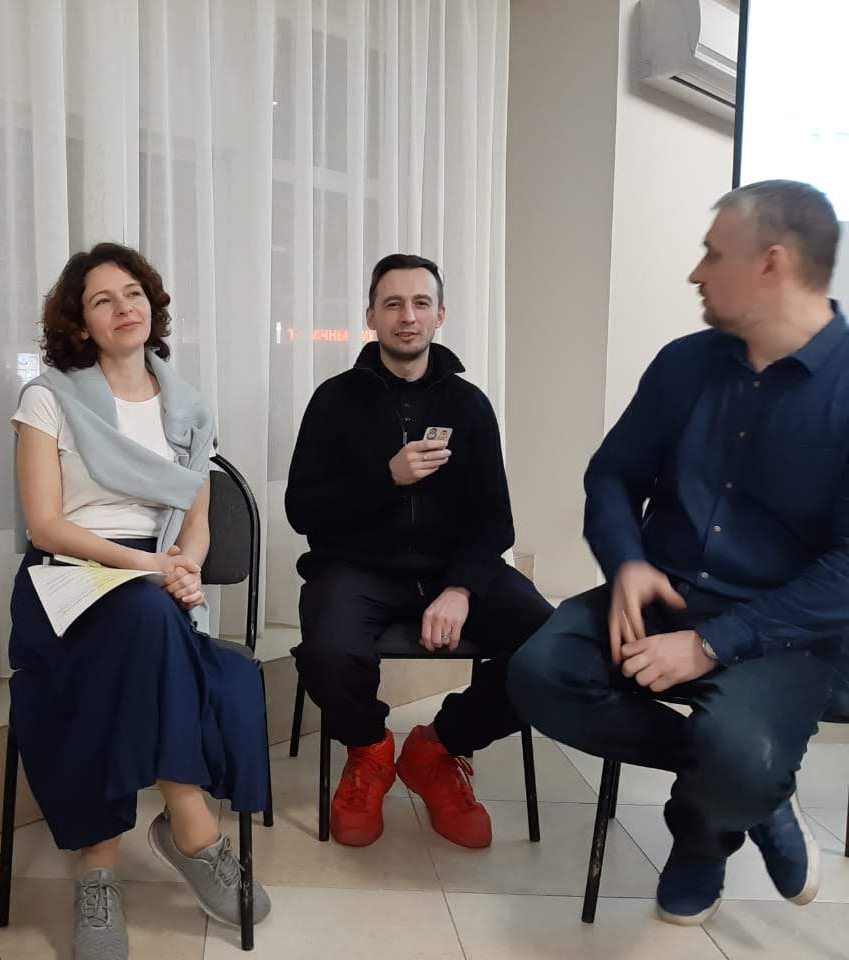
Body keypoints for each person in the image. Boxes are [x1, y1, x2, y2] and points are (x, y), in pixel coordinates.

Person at [509, 180, 849, 926]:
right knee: (538, 674)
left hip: (781, 630)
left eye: (712, 253)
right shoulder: (684, 364)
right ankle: (754, 795)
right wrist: (626, 560)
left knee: (743, 753)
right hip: (662, 593)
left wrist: (711, 644)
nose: (696, 272)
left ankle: (705, 835)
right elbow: (613, 475)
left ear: (772, 263)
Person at [9, 241, 271, 959]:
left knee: (144, 622)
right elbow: (45, 523)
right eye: (103, 300)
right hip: (67, 577)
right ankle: (192, 825)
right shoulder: (48, 398)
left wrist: (185, 565)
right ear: (80, 323)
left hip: (151, 586)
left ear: (152, 305)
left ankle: (97, 869)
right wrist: (149, 567)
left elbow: (197, 516)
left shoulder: (188, 408)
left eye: (133, 294)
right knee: (145, 616)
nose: (124, 308)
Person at [285, 253, 553, 849]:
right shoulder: (333, 400)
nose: (407, 316)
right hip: (356, 568)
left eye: (420, 303)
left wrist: (461, 587)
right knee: (327, 650)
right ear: (372, 317)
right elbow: (302, 510)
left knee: (553, 648)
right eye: (393, 304)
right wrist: (388, 478)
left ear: (440, 315)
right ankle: (370, 749)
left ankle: (438, 749)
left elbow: (496, 521)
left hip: (452, 570)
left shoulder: (469, 404)